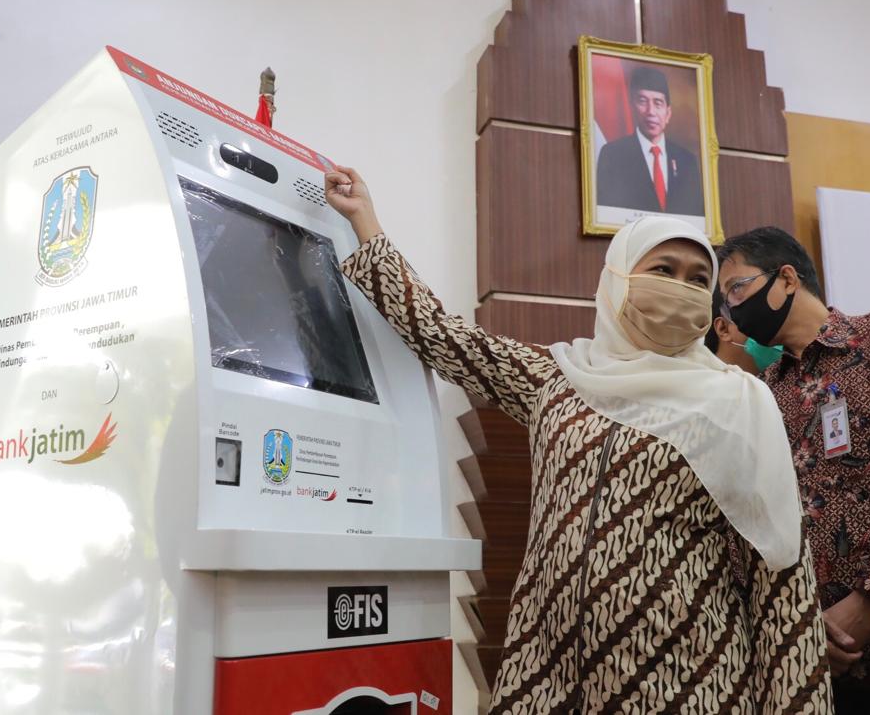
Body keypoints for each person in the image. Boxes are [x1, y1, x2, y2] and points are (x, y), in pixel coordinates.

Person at [324, 166, 832, 713]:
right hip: (546, 680)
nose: (681, 290)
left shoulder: (738, 405)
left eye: (695, 280)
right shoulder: (559, 380)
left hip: (689, 683)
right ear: (617, 279)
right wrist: (366, 224)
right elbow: (448, 339)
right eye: (663, 269)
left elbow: (783, 586)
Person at [717, 226, 870, 713]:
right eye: (724, 301)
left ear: (786, 279)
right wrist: (803, 624)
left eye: (737, 288)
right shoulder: (765, 391)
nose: (732, 309)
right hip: (822, 668)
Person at [596, 66, 704, 215]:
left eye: (658, 103)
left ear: (668, 113)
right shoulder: (613, 154)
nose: (651, 112)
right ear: (632, 107)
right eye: (643, 101)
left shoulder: (687, 160)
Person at [704, 287, 783, 376]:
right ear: (723, 329)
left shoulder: (768, 385)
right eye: (761, 319)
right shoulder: (697, 386)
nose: (776, 331)